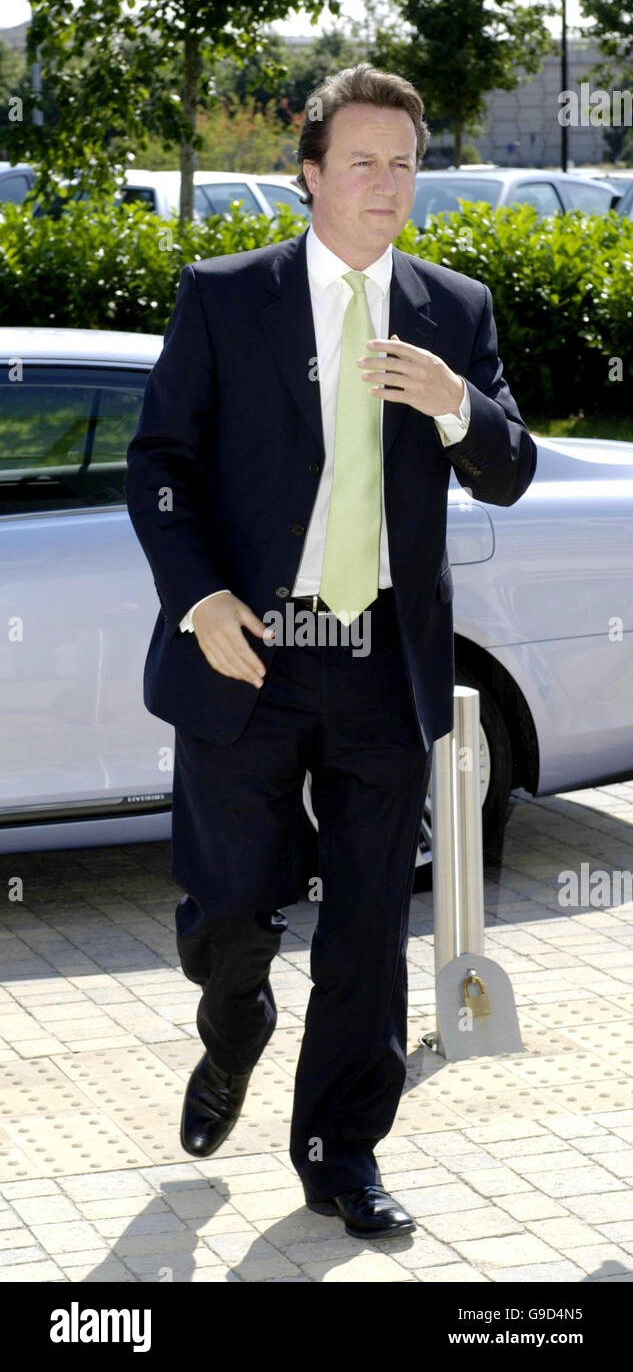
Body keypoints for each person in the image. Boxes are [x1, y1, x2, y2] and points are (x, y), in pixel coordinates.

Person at [125, 63, 537, 1240]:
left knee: (365, 925)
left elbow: (507, 468)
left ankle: (338, 1151)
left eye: (405, 162)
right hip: (242, 653)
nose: (387, 182)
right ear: (308, 176)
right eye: (361, 160)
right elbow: (158, 465)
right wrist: (199, 596)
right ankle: (233, 1015)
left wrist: (458, 403)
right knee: (227, 912)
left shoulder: (453, 310)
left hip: (379, 662)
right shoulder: (222, 296)